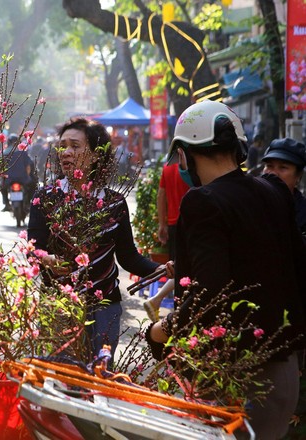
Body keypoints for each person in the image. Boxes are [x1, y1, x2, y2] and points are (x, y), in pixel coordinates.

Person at [146, 100, 306, 439]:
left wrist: (161, 330)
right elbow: (297, 267)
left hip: (236, 375)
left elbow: (210, 294)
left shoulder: (202, 201)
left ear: (186, 155)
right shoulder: (274, 188)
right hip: (285, 369)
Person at [27, 116, 173, 360]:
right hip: (61, 304)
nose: (66, 152)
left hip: (106, 305)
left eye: (75, 146)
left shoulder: (115, 203)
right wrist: (48, 259)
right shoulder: (46, 198)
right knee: (66, 379)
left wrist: (162, 269)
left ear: (96, 155)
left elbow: (128, 257)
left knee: (101, 376)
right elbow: (34, 249)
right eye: (62, 146)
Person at [143, 161, 190, 321]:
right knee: (185, 269)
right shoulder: (193, 166)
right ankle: (177, 314)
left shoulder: (168, 168)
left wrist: (162, 224)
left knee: (177, 268)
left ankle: (165, 305)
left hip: (173, 224)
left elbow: (161, 195)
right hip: (191, 223)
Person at [261, 137, 306, 240]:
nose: (273, 173)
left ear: (298, 176)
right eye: (269, 166)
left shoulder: (303, 214)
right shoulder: (248, 206)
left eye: (283, 168)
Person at [1, 134, 35, 212]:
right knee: (33, 185)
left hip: (9, 179)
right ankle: (29, 204)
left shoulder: (5, 153)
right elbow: (28, 167)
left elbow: (2, 169)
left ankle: (6, 204)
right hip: (23, 178)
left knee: (2, 187)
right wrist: (27, 175)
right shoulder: (22, 152)